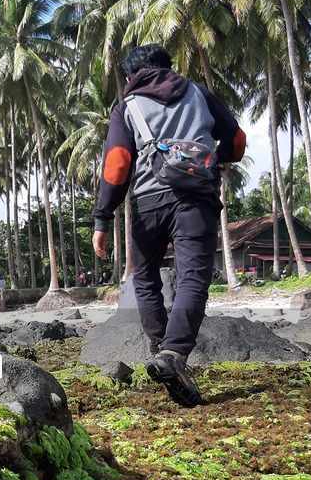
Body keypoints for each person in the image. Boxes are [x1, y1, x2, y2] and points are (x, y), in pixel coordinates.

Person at [91, 44, 246, 407]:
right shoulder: (198, 92)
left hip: (148, 203)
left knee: (144, 278)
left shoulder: (127, 107)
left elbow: (116, 165)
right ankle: (173, 355)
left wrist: (103, 217)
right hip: (197, 198)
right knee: (192, 278)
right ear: (168, 68)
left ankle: (161, 348)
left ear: (130, 77)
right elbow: (236, 140)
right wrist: (218, 157)